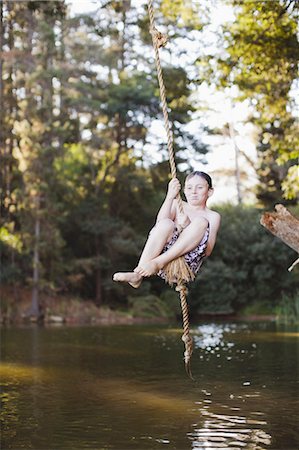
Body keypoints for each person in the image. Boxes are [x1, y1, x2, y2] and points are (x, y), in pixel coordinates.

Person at [113, 171, 221, 288]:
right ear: (184, 190)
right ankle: (137, 275)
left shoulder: (213, 216)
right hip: (164, 259)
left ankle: (158, 263)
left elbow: (208, 250)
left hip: (186, 262)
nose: (193, 192)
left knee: (201, 221)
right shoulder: (177, 204)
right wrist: (170, 196)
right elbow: (159, 226)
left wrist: (188, 225)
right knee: (166, 223)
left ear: (210, 191)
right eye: (189, 188)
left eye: (199, 187)